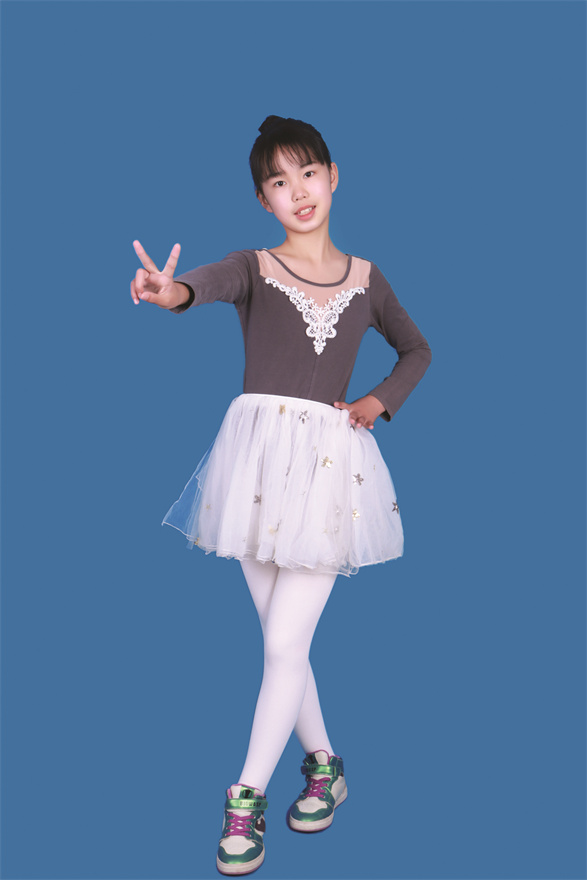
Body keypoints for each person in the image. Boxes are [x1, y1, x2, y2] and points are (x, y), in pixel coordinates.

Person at [130, 115, 431, 876]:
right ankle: (326, 768)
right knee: (281, 642)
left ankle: (245, 797)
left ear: (334, 177)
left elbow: (416, 348)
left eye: (308, 172)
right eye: (277, 180)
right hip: (257, 472)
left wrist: (378, 402)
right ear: (263, 200)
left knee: (284, 645)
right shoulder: (254, 267)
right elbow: (201, 287)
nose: (297, 190)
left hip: (327, 472)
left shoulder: (368, 279)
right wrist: (170, 292)